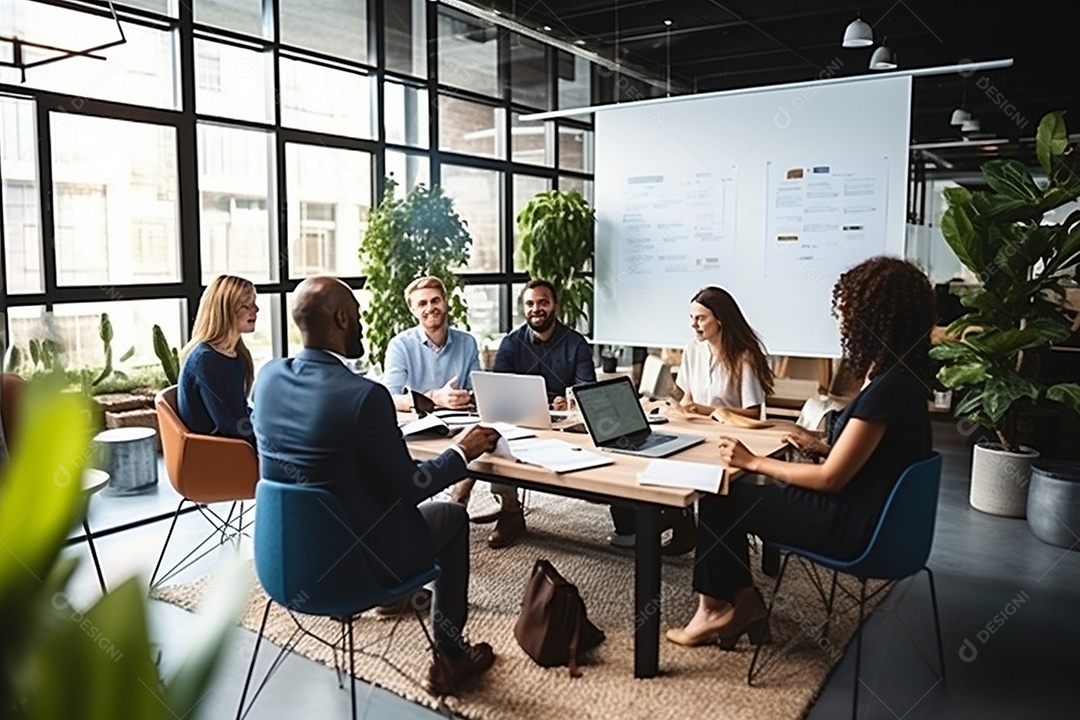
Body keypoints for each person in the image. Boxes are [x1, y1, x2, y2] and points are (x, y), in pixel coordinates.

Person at [665, 256, 935, 649]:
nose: (842, 321)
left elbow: (830, 479)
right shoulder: (900, 380)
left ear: (875, 317)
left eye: (848, 311)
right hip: (873, 514)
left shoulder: (888, 387)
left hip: (853, 525)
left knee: (720, 496)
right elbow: (876, 457)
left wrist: (755, 462)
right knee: (728, 496)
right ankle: (741, 603)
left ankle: (716, 609)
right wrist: (823, 446)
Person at [251, 276, 502, 696]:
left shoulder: (269, 377)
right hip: (356, 568)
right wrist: (463, 450)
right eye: (359, 316)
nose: (365, 324)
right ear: (341, 318)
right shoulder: (364, 396)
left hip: (282, 564)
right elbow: (414, 485)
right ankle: (451, 656)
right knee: (454, 516)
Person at [609, 286, 774, 554]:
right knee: (648, 450)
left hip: (733, 440)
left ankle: (678, 519)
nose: (693, 325)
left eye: (700, 318)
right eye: (691, 318)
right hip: (697, 431)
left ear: (720, 319)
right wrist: (679, 407)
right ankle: (675, 518)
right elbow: (688, 398)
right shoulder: (693, 350)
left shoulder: (745, 356)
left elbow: (753, 413)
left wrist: (703, 410)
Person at [461, 279, 597, 549]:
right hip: (519, 419)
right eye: (530, 303)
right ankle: (510, 511)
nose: (537, 309)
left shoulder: (576, 343)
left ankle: (626, 519)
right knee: (494, 439)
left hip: (563, 422)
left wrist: (568, 400)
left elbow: (588, 390)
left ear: (555, 306)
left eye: (543, 302)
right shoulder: (512, 342)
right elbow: (497, 388)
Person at [177, 275, 259, 443]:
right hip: (217, 450)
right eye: (245, 305)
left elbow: (240, 411)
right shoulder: (205, 361)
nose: (256, 309)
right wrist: (271, 434)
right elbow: (227, 425)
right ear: (224, 311)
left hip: (235, 441)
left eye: (254, 302)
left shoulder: (239, 355)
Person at [381, 276, 480, 412]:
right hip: (420, 424)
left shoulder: (468, 343)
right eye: (422, 304)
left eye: (435, 301)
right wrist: (433, 398)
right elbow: (389, 398)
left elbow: (477, 393)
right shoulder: (399, 345)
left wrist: (468, 397)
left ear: (445, 302)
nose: (430, 308)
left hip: (462, 420)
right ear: (413, 310)